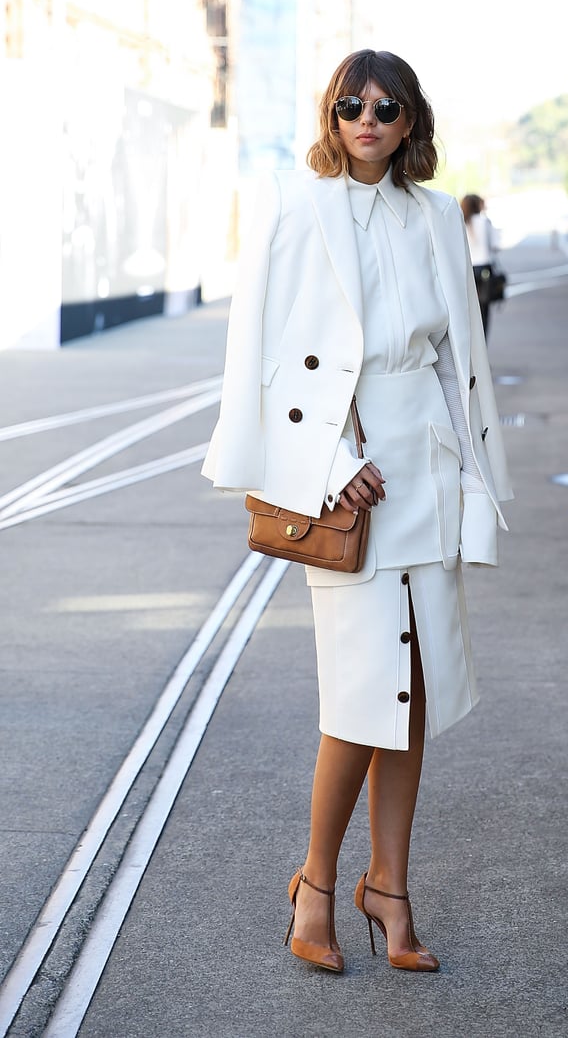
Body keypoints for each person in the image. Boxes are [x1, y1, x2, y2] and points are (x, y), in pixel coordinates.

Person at [202, 49, 512, 975]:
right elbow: (268, 346)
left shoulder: (435, 217)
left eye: (386, 106)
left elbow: (461, 363)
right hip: (349, 475)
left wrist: (477, 486)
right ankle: (317, 883)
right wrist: (332, 463)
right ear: (330, 116)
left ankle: (391, 887)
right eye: (350, 105)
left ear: (411, 120)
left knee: (415, 694)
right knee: (359, 695)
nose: (367, 119)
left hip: (428, 465)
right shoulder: (299, 207)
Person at [461, 193, 500, 337]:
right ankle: (482, 351)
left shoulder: (460, 221)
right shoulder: (485, 222)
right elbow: (496, 245)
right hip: (484, 270)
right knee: (483, 312)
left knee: (468, 311)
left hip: (466, 270)